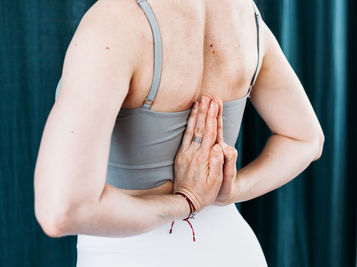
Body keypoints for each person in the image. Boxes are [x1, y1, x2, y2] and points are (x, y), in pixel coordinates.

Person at [34, 0, 324, 266]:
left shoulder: (115, 21)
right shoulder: (245, 13)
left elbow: (62, 211)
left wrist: (186, 201)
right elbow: (306, 138)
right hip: (233, 250)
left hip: (129, 255)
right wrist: (228, 192)